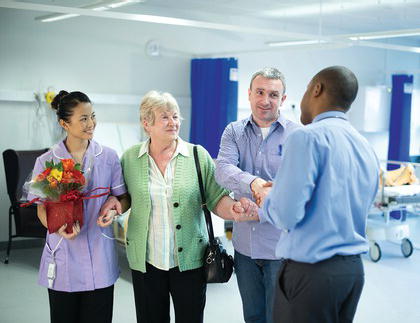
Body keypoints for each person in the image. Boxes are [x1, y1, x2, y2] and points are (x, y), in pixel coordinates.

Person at [100, 90, 253, 323]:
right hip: (146, 260)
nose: (172, 122)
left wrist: (233, 209)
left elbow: (216, 197)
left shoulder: (196, 155)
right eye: (165, 117)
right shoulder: (131, 158)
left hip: (189, 260)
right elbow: (125, 196)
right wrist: (115, 205)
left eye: (175, 116)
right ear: (146, 123)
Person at [257, 66, 379, 323]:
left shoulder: (306, 137)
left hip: (311, 274)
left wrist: (268, 200)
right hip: (352, 272)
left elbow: (286, 215)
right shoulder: (364, 145)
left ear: (316, 89)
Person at [27, 90, 127, 323]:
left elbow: (124, 198)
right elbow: (41, 208)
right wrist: (56, 226)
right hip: (63, 254)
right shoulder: (47, 161)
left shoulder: (109, 157)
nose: (91, 123)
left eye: (92, 116)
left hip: (100, 255)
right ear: (64, 123)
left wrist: (114, 207)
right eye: (83, 118)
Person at [215, 67, 300, 323]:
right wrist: (255, 184)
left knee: (280, 318)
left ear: (283, 99)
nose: (265, 100)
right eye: (260, 92)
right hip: (244, 250)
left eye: (273, 95)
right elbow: (223, 169)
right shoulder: (234, 131)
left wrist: (260, 209)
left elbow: (298, 191)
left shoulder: (298, 136)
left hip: (281, 250)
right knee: (252, 317)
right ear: (249, 94)